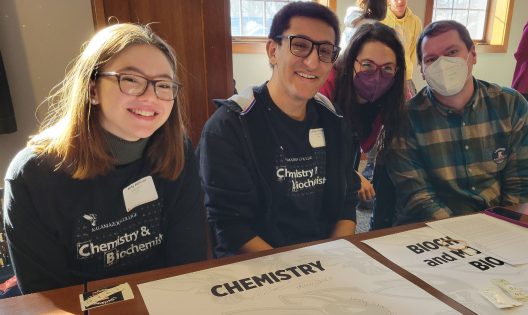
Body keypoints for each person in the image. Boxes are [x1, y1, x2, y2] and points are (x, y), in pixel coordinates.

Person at [2, 23, 207, 294]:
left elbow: (186, 265)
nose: (150, 96)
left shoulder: (177, 151)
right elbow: (47, 296)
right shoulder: (33, 175)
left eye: (163, 85)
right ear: (92, 89)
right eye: (131, 80)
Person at [199, 2, 358, 258]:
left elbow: (347, 203)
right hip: (258, 267)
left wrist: (333, 259)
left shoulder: (333, 119)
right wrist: (302, 270)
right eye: (300, 45)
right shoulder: (229, 127)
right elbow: (230, 225)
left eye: (325, 51)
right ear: (273, 51)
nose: (313, 61)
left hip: (326, 261)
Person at [385, 20, 528, 224]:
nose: (442, 64)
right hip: (432, 229)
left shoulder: (510, 105)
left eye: (451, 53)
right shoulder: (406, 118)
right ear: (422, 69)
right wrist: (465, 235)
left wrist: (505, 225)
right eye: (431, 59)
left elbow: (522, 182)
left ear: (473, 54)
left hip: (498, 223)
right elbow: (418, 197)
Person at [319, 22, 407, 230]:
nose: (377, 76)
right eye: (367, 65)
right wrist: (350, 173)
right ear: (351, 62)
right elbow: (311, 146)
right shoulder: (327, 86)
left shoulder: (391, 98)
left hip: (348, 154)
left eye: (387, 68)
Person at [381, 0, 422, 97]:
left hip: (406, 78)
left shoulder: (416, 22)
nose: (400, 1)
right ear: (388, 1)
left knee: (410, 108)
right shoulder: (380, 20)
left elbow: (413, 51)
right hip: (384, 76)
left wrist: (407, 70)